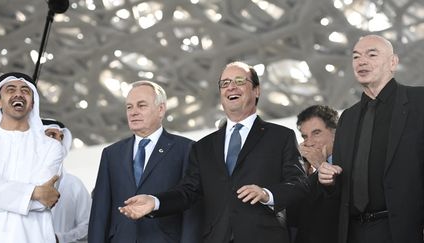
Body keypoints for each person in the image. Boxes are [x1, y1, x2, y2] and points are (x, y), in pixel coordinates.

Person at [119, 61, 309, 243]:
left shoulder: (280, 136)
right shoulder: (203, 147)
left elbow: (299, 184)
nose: (231, 87)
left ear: (256, 90)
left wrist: (267, 194)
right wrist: (155, 202)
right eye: (225, 83)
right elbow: (188, 191)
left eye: (239, 81)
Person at [318, 34, 424, 243]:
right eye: (356, 57)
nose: (362, 61)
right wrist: (328, 180)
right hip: (354, 232)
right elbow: (343, 182)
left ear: (393, 62)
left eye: (371, 54)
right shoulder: (348, 117)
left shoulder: (418, 102)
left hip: (406, 229)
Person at [88, 80, 200, 243]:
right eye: (129, 107)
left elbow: (191, 207)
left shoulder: (186, 149)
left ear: (160, 109)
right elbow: (100, 212)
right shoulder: (111, 154)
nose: (133, 112)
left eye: (141, 105)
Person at [0, 72, 63, 242]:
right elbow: (39, 194)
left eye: (25, 90)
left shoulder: (51, 146)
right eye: (10, 89)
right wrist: (34, 192)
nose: (18, 94)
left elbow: (45, 199)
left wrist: (1, 197)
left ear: (32, 103)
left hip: (35, 236)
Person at [287, 105, 339, 243]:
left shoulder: (350, 163)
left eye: (316, 133)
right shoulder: (307, 173)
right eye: (304, 136)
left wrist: (321, 165)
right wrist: (301, 173)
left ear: (335, 133)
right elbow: (293, 218)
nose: (309, 142)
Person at [42, 118, 91, 243]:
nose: (58, 141)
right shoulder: (17, 181)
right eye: (52, 135)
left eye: (61, 137)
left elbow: (89, 225)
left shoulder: (74, 185)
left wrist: (61, 238)